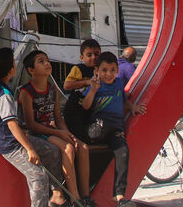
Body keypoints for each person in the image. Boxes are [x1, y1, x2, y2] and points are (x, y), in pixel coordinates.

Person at [0, 47, 66, 207]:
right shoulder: (3, 94)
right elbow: (11, 124)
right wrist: (29, 148)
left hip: (15, 139)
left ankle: (56, 195)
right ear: (11, 69)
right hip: (10, 146)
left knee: (53, 152)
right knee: (38, 177)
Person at [19, 50, 96, 207]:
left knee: (82, 147)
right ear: (31, 70)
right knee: (67, 148)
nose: (47, 63)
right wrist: (59, 133)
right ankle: (75, 198)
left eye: (47, 60)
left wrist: (67, 133)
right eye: (41, 61)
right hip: (37, 134)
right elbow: (31, 124)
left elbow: (59, 119)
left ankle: (86, 195)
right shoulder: (26, 92)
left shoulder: (53, 89)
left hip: (52, 130)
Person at [81, 52, 147, 207]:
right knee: (102, 126)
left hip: (115, 131)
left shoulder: (118, 84)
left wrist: (133, 108)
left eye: (112, 70)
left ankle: (119, 196)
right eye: (104, 70)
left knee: (123, 152)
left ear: (117, 70)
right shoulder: (95, 85)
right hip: (97, 129)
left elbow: (124, 100)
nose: (108, 74)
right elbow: (85, 105)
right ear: (97, 70)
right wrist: (93, 90)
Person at [62, 39, 102, 198]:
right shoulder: (78, 69)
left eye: (96, 54)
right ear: (82, 57)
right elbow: (66, 85)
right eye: (89, 55)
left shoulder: (101, 69)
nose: (93, 57)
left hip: (90, 111)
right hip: (75, 111)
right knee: (80, 140)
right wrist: (86, 82)